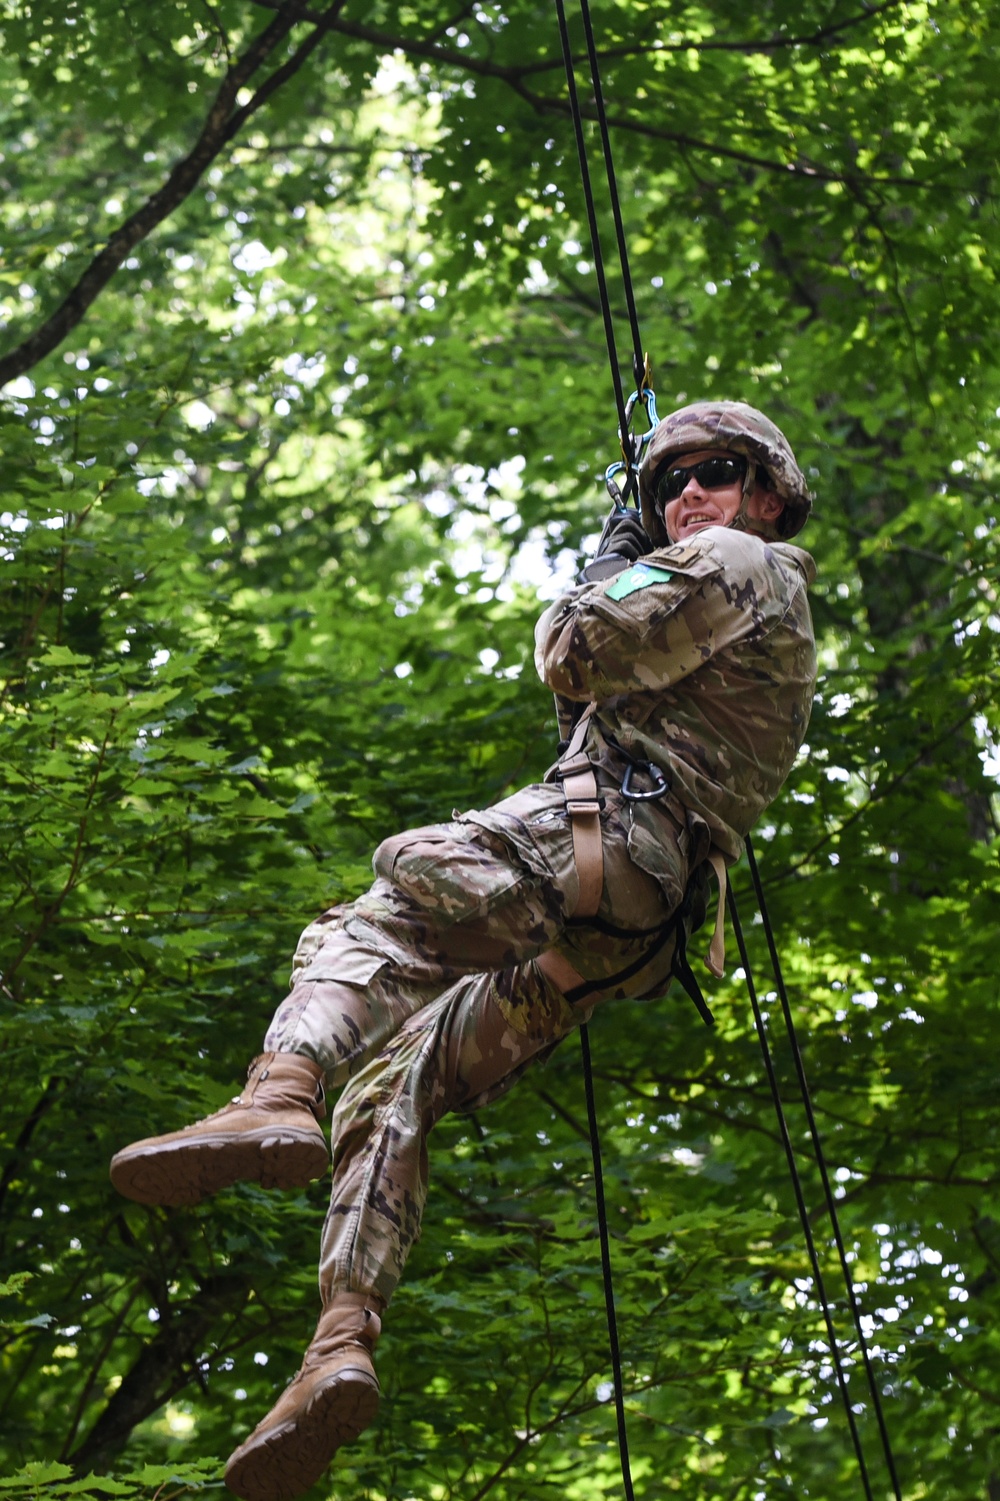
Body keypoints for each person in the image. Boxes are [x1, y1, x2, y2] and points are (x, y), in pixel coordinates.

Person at [109, 399, 817, 1501]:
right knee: (392, 1085)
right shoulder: (746, 600)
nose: (686, 493)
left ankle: (276, 1084)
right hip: (622, 927)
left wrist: (607, 573)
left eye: (714, 470)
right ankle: (337, 1345)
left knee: (388, 899)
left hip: (606, 844)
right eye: (664, 481)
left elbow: (572, 651)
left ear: (764, 494)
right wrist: (622, 563)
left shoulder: (739, 560)